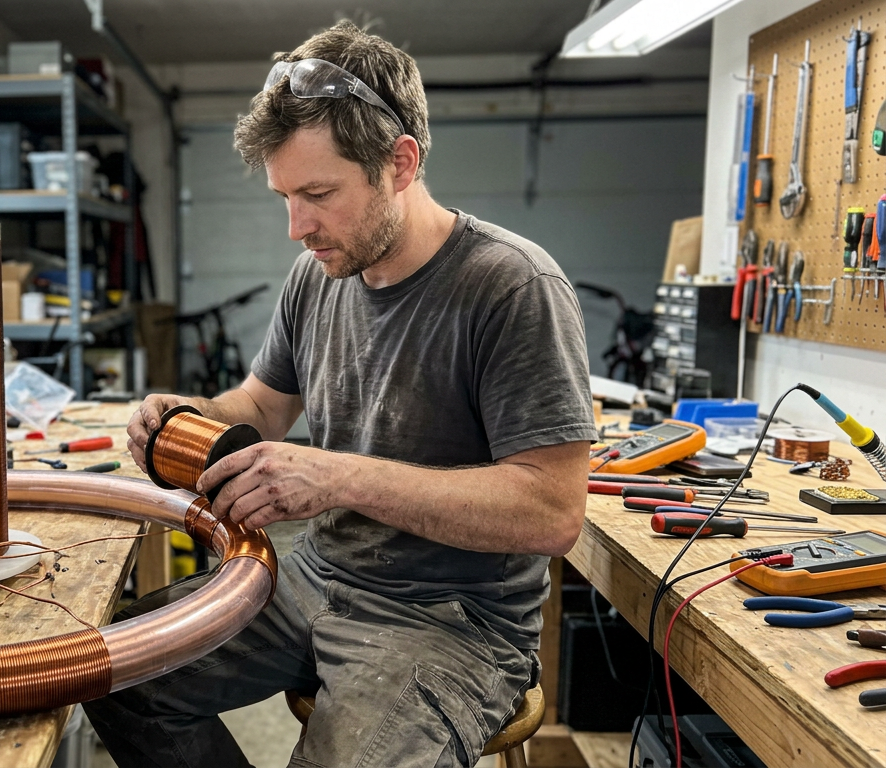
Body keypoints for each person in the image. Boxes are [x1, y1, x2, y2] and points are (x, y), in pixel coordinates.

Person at [83, 20, 595, 768]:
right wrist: (186, 416)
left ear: (401, 162)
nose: (297, 227)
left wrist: (336, 475)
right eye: (285, 195)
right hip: (314, 580)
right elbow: (260, 409)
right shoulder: (320, 275)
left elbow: (552, 512)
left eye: (318, 193)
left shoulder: (513, 286)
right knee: (117, 672)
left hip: (452, 620)